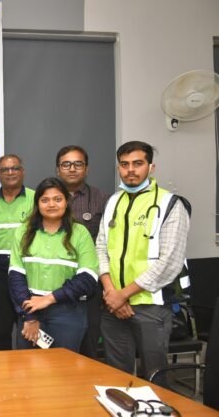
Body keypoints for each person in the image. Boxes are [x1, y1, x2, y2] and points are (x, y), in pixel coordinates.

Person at [97, 141, 190, 378]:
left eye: (137, 163)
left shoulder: (170, 204)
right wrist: (112, 293)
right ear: (118, 168)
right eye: (124, 164)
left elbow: (169, 261)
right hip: (113, 305)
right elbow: (101, 248)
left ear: (151, 167)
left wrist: (123, 294)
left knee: (154, 377)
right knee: (117, 378)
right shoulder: (113, 202)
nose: (130, 170)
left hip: (151, 306)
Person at [8, 177, 98, 352]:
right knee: (28, 366)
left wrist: (48, 299)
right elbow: (16, 277)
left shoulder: (80, 233)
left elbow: (88, 279)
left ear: (66, 202)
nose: (51, 204)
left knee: (63, 366)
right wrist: (30, 317)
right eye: (45, 200)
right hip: (30, 309)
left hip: (68, 313)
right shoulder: (23, 232)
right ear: (37, 204)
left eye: (57, 199)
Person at [55, 145, 110, 358]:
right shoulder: (46, 197)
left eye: (78, 164)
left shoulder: (103, 199)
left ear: (86, 168)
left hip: (90, 284)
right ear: (58, 169)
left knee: (89, 343)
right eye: (66, 164)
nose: (72, 169)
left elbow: (109, 243)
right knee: (54, 347)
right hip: (52, 282)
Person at [0, 154, 34, 351]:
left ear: (23, 172)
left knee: (30, 325)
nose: (10, 173)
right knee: (0, 330)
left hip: (27, 270)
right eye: (5, 169)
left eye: (15, 168)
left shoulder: (36, 198)